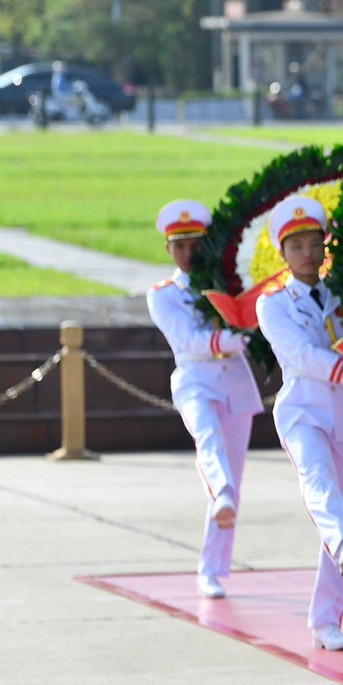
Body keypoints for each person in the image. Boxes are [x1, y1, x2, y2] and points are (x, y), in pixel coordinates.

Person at [253, 195, 343, 651]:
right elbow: (302, 356)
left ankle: (326, 620)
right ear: (282, 252)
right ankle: (342, 541)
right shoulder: (273, 304)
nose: (307, 253)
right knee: (318, 479)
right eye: (296, 246)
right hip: (304, 410)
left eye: (313, 243)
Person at [146, 200, 264, 600]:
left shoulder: (228, 284)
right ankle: (221, 492)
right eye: (179, 246)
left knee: (234, 476)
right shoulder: (163, 294)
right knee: (208, 438)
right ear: (168, 249)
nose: (187, 253)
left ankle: (211, 568)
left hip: (235, 383)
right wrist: (237, 339)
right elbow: (188, 340)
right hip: (196, 380)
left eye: (195, 244)